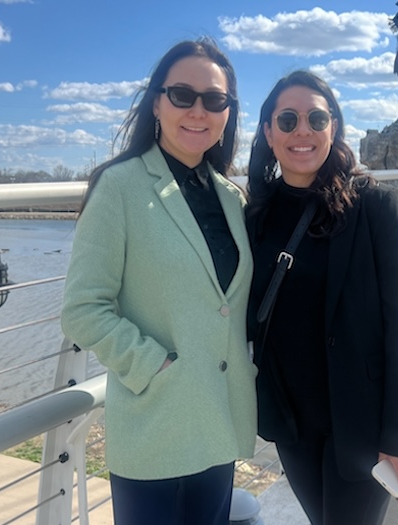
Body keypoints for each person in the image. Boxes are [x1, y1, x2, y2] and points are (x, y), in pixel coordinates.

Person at [61, 37, 257, 525]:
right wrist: (151, 366)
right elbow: (83, 309)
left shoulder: (232, 198)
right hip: (156, 426)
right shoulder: (120, 187)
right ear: (157, 102)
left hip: (218, 425)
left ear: (228, 113)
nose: (198, 110)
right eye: (182, 95)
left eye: (214, 99)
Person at [246, 70, 398, 525]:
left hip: (362, 425)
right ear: (268, 133)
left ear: (334, 128)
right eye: (286, 120)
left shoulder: (375, 207)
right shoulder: (256, 216)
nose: (301, 130)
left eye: (316, 118)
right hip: (292, 425)